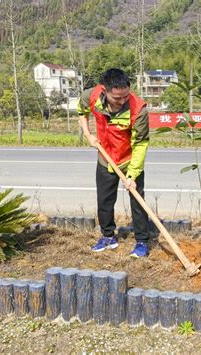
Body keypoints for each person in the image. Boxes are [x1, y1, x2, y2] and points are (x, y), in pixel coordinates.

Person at [78, 68, 150, 257]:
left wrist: (133, 174)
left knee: (138, 202)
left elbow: (141, 143)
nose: (122, 101)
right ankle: (108, 236)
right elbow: (81, 111)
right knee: (104, 201)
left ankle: (142, 241)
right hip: (105, 158)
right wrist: (88, 135)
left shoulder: (138, 109)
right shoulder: (91, 96)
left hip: (129, 160)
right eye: (117, 98)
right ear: (104, 90)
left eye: (126, 96)